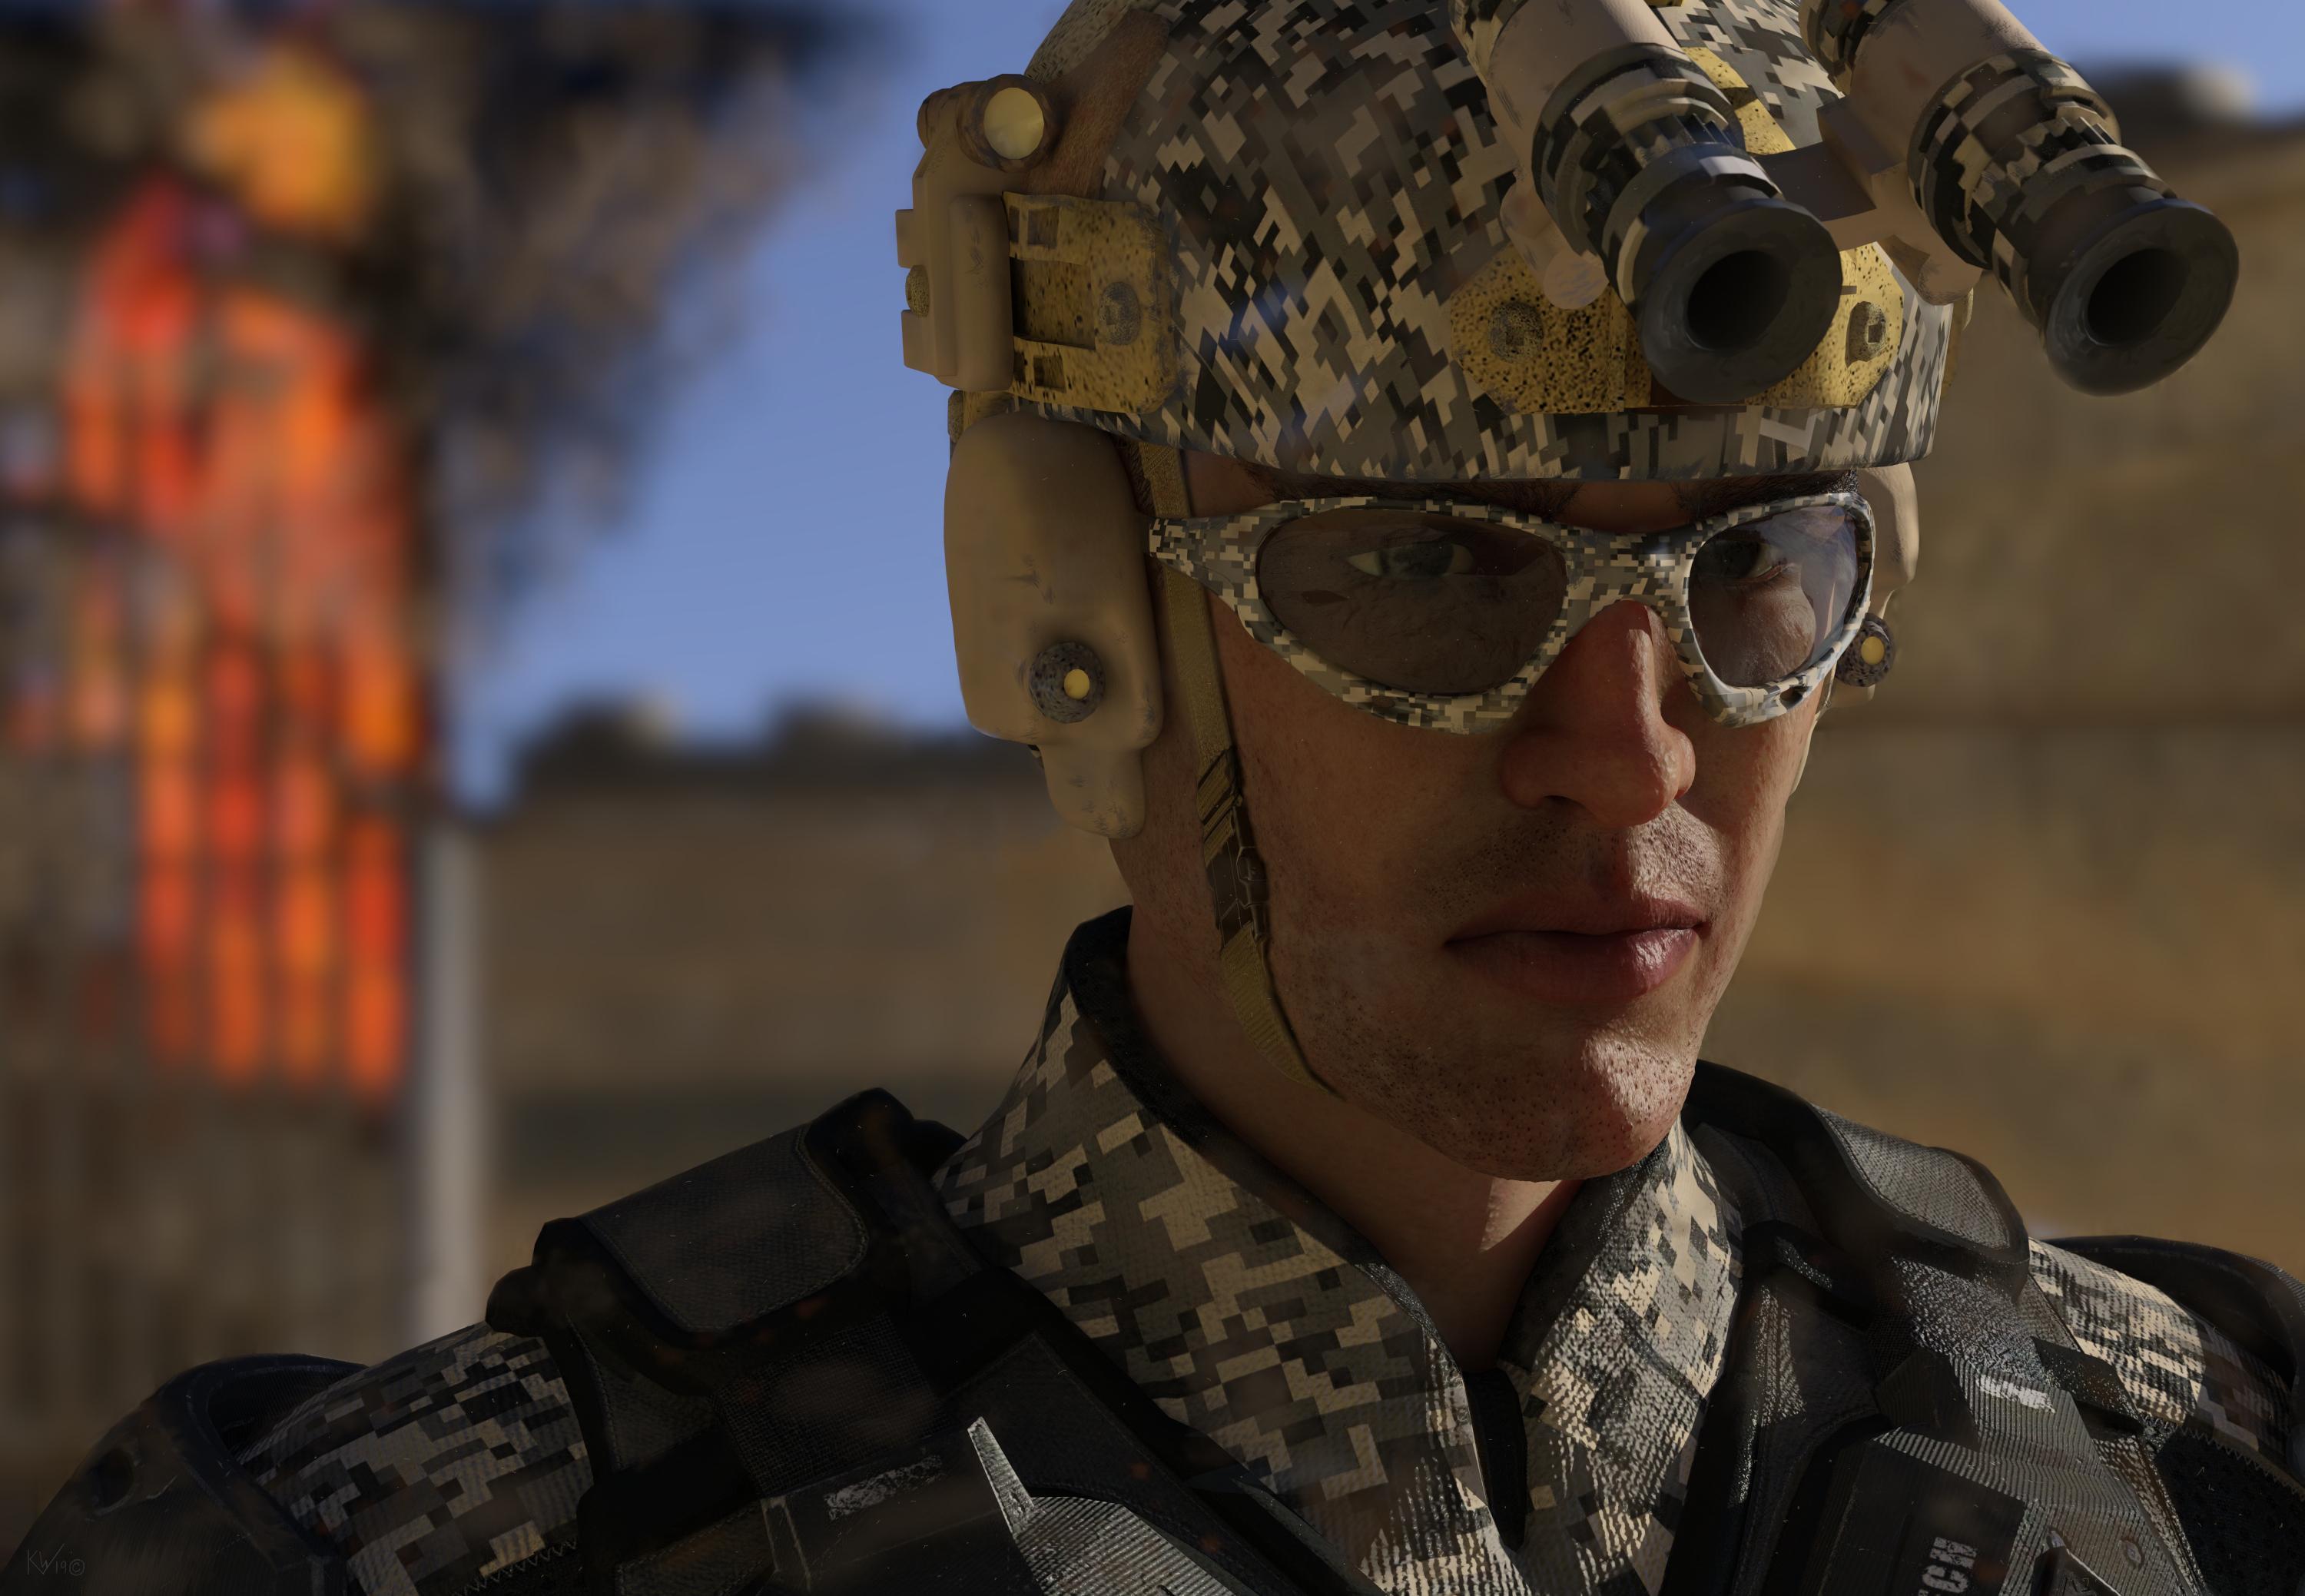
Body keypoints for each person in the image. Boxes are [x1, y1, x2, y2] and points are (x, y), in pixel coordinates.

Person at [10, 1, 2298, 1593]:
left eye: (1761, 569)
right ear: (1079, 618)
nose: (1629, 754)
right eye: (1427, 571)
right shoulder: (433, 1546)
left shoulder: (2207, 1463)